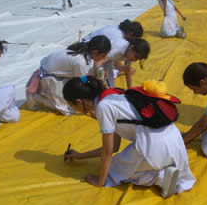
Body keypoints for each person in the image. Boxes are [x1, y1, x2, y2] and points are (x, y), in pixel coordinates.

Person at [62, 76, 196, 198]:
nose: (73, 108)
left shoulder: (103, 108)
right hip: (173, 138)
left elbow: (108, 152)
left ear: (79, 102)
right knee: (116, 165)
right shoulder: (111, 94)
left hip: (154, 145)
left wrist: (100, 181)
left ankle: (160, 177)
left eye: (71, 105)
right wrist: (80, 155)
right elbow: (114, 147)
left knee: (113, 171)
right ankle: (165, 168)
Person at [25, 35, 111, 115]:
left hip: (55, 72)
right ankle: (36, 97)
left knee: (71, 101)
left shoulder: (85, 52)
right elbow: (82, 83)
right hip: (48, 75)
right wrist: (91, 109)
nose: (104, 58)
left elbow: (90, 73)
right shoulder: (80, 61)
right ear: (95, 52)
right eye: (103, 56)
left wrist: (99, 79)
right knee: (65, 110)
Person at [82, 19, 145, 87]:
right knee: (95, 77)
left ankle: (116, 71)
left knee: (108, 72)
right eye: (136, 57)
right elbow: (98, 63)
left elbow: (127, 69)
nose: (135, 60)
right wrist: (104, 83)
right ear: (131, 34)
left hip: (98, 50)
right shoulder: (119, 43)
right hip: (90, 50)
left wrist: (130, 89)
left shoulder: (126, 40)